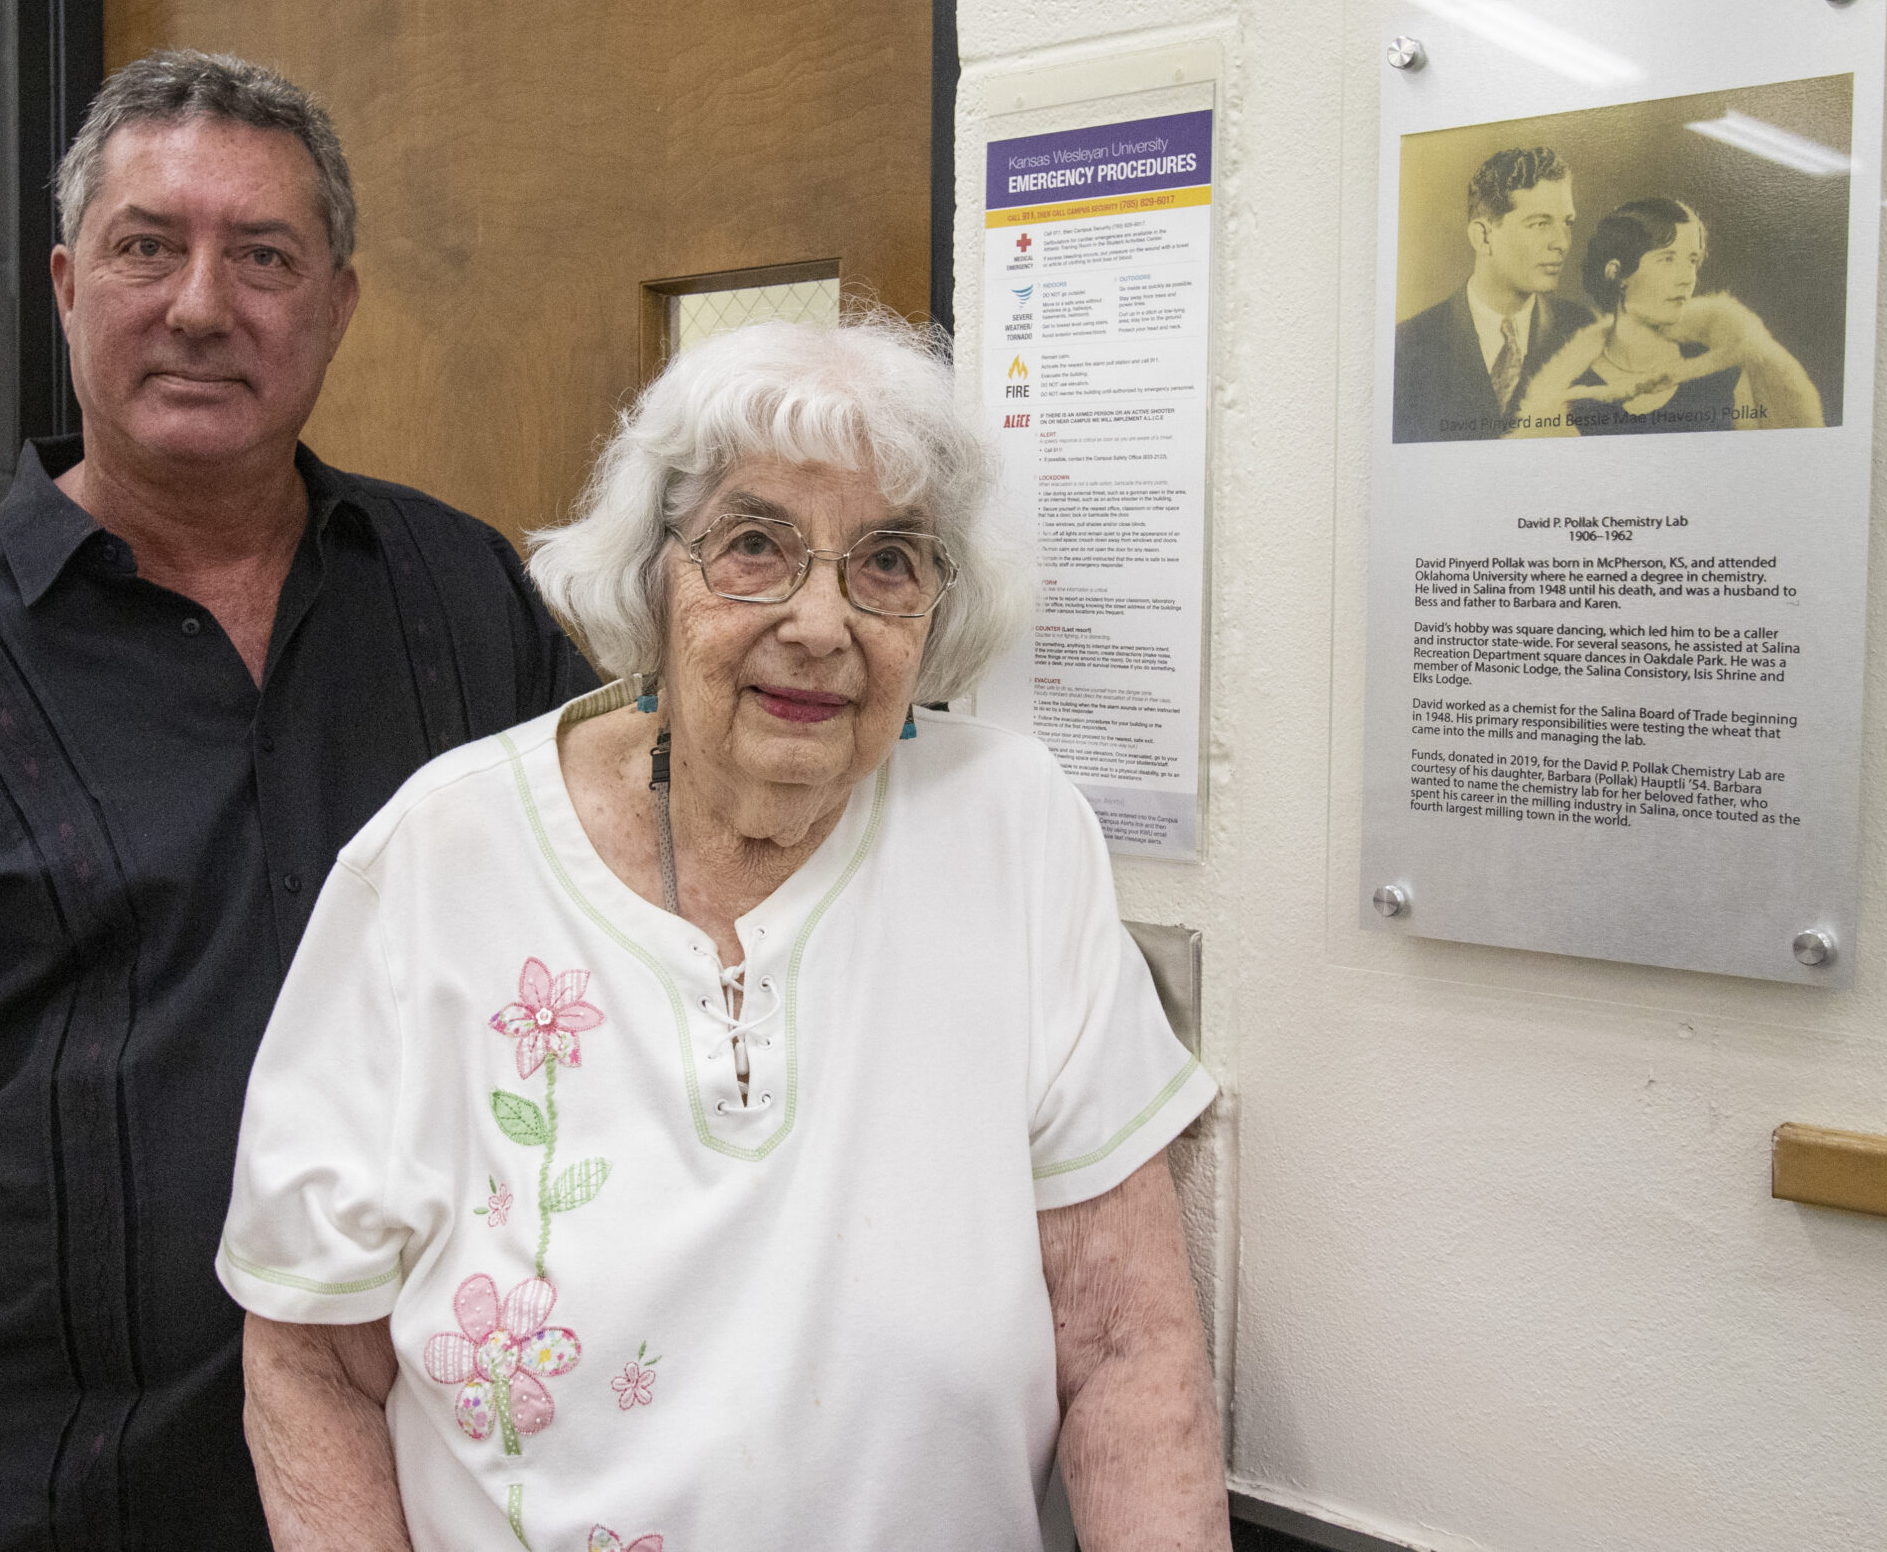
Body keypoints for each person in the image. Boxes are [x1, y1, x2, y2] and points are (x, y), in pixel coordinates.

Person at [0, 50, 597, 1552]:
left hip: (426, 1490)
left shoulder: (464, 595)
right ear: (65, 283)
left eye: (263, 256)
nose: (199, 304)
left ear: (338, 304)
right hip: (37, 1503)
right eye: (145, 246)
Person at [218, 311, 1230, 1552]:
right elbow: (310, 1364)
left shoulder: (1011, 829)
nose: (821, 622)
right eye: (754, 545)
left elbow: (1125, 1343)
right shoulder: (433, 865)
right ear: (653, 572)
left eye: (888, 561)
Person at [1510, 196, 1826, 436]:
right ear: (1617, 273)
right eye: (1667, 259)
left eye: (1692, 260)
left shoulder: (1724, 373)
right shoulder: (1568, 398)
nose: (1687, 278)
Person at [1393, 145, 1596, 442]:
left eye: (1567, 223)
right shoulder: (1410, 345)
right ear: (1483, 237)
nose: (1562, 243)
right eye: (1540, 224)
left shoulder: (1584, 331)